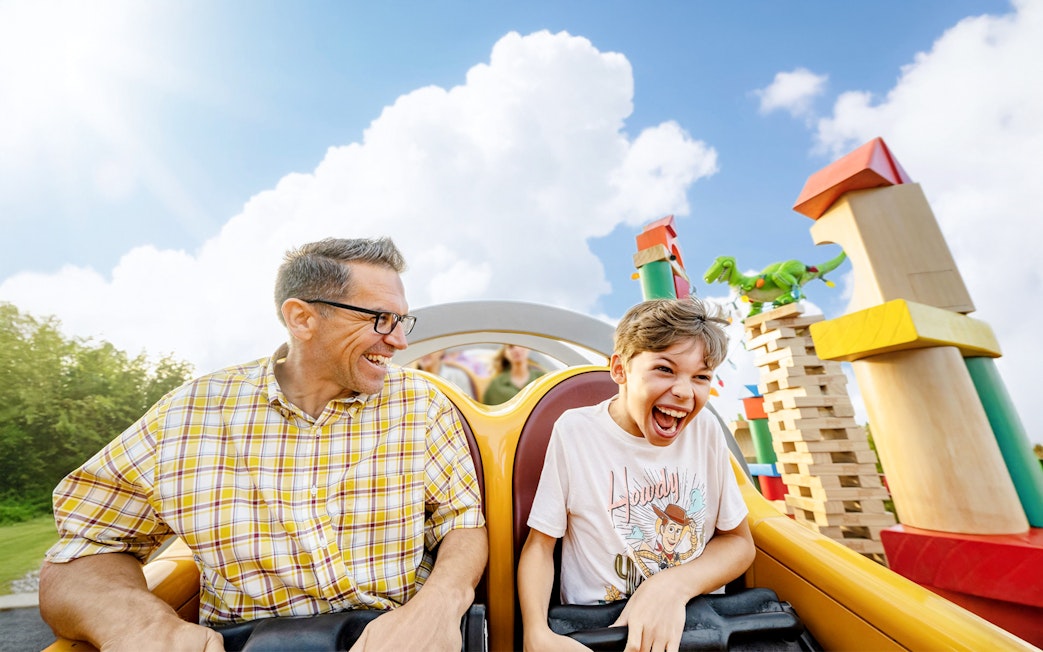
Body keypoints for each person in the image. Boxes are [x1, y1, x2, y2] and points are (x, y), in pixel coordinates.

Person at [38, 237, 488, 652]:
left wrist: (437, 608)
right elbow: (83, 551)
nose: (399, 340)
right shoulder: (190, 413)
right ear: (302, 318)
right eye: (380, 319)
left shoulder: (421, 402)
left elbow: (462, 523)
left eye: (401, 319)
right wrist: (144, 627)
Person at [517, 297, 755, 652]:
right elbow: (540, 544)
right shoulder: (575, 432)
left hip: (695, 623)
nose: (684, 391)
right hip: (604, 627)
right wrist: (535, 631)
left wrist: (670, 586)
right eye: (665, 369)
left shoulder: (704, 428)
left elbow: (738, 542)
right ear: (620, 370)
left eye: (701, 377)